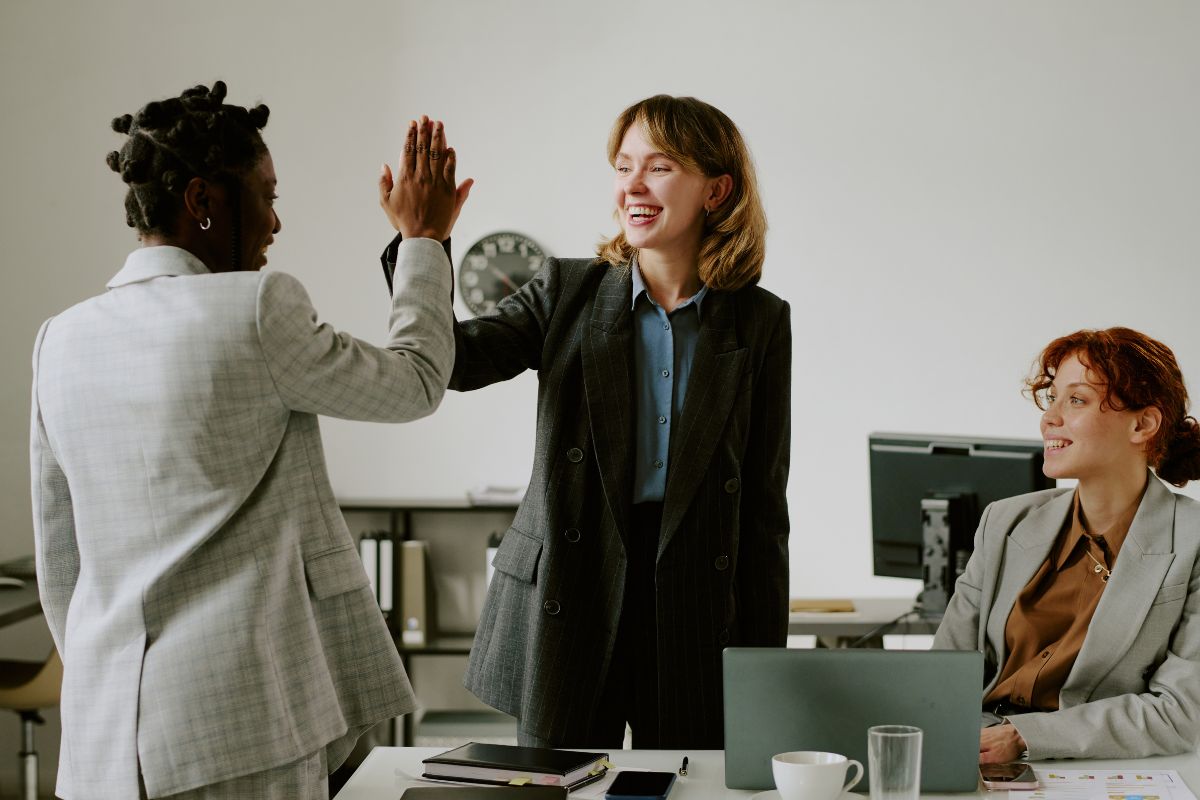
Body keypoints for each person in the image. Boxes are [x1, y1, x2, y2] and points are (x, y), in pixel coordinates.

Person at [31, 82, 467, 799]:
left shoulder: (61, 339)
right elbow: (415, 382)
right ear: (204, 202)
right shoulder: (255, 309)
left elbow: (61, 564)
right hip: (238, 730)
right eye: (265, 195)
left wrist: (105, 687)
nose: (274, 221)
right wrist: (423, 240)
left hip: (102, 742)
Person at [381, 94, 791, 748]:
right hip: (574, 586)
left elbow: (765, 507)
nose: (632, 184)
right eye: (623, 165)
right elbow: (453, 362)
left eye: (658, 167)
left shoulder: (761, 321)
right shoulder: (563, 290)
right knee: (555, 788)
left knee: (691, 787)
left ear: (716, 190)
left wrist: (765, 669)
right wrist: (422, 243)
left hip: (692, 601)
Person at [934, 327, 1200, 763]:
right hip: (971, 753)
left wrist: (1023, 736)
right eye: (1051, 398)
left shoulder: (1192, 540)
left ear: (1143, 424)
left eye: (1075, 400)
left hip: (1092, 766)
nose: (1049, 418)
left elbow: (1178, 714)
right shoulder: (1004, 521)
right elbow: (939, 678)